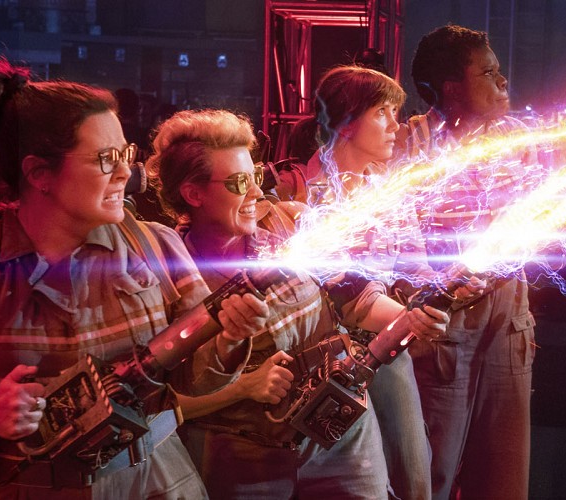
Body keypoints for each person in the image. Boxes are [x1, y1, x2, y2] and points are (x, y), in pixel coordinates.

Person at [0, 57, 262, 498]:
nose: (127, 172)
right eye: (106, 159)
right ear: (39, 173)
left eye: (126, 154)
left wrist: (228, 338)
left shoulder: (158, 249)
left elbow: (196, 377)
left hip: (156, 483)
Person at [146, 108, 451, 499]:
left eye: (255, 176)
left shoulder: (289, 224)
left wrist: (412, 318)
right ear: (193, 193)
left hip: (341, 436)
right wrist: (242, 389)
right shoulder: (169, 273)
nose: (256, 193)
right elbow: (159, 402)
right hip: (244, 454)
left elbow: (356, 302)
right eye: (240, 182)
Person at [305, 65, 487, 500]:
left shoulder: (387, 191)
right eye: (382, 113)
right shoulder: (308, 195)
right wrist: (410, 319)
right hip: (330, 356)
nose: (396, 125)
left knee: (413, 471)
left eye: (395, 112)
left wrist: (449, 286)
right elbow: (347, 297)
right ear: (346, 123)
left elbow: (415, 269)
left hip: (387, 345)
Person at [403, 24, 537, 500]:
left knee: (503, 473)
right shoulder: (413, 145)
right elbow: (399, 239)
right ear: (452, 88)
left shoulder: (516, 141)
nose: (503, 81)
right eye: (488, 72)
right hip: (445, 323)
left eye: (500, 71)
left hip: (509, 319)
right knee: (432, 471)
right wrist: (440, 284)